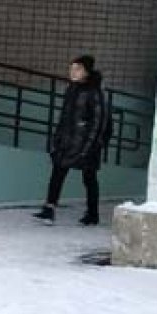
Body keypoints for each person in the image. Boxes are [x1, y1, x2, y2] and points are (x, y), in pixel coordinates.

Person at [33, 54, 110, 226]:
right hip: (67, 141)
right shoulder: (71, 89)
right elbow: (65, 117)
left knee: (89, 178)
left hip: (87, 143)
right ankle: (48, 209)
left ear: (87, 71)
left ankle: (92, 214)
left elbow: (98, 121)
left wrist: (89, 146)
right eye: (72, 68)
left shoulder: (95, 92)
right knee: (57, 173)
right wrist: (57, 139)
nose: (73, 72)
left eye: (78, 69)